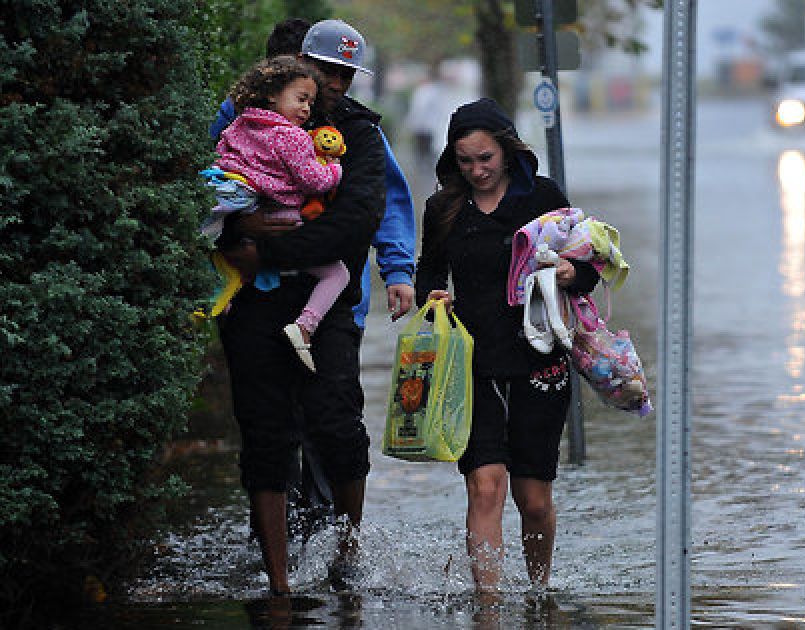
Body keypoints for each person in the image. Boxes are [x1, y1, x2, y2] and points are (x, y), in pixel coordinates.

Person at [208, 17, 417, 537]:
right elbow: (213, 189)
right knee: (268, 429)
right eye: (327, 72)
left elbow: (380, 203)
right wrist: (237, 232)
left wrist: (397, 268)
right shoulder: (237, 117)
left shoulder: (357, 129)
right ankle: (278, 544)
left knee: (332, 423)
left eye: (346, 74)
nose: (336, 84)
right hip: (256, 297)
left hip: (334, 297)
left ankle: (329, 539)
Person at [414, 98, 600, 593]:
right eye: (465, 161)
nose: (477, 170)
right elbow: (429, 272)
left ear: (507, 151)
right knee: (484, 485)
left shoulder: (543, 197)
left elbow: (588, 268)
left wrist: (571, 272)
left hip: (539, 361)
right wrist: (431, 299)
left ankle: (539, 592)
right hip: (471, 363)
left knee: (533, 499)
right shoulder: (443, 208)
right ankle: (489, 607)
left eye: (485, 159)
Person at [213, 55, 349, 372]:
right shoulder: (292, 136)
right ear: (273, 94)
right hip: (282, 218)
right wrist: (335, 169)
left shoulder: (241, 124)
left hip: (243, 210)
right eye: (301, 99)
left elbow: (221, 156)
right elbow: (313, 181)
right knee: (337, 273)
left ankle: (225, 304)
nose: (306, 109)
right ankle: (305, 326)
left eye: (310, 103)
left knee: (244, 270)